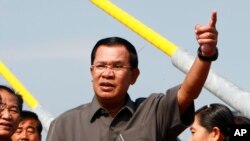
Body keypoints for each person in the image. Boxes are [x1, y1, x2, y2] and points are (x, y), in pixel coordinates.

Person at [47, 11, 218, 141]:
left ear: (134, 76)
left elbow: (188, 92)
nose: (107, 73)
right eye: (101, 66)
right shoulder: (64, 126)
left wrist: (205, 54)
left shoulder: (152, 112)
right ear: (92, 72)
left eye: (117, 66)